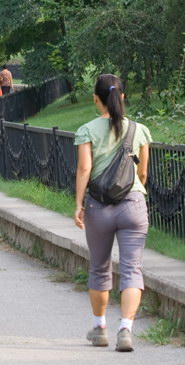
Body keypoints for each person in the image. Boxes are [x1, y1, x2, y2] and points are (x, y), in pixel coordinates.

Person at [73, 74, 152, 352]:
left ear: (96, 99)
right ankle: (126, 330)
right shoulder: (140, 130)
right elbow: (142, 173)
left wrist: (79, 205)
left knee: (99, 267)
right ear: (122, 97)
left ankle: (100, 328)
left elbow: (84, 170)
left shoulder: (86, 130)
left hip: (99, 207)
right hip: (133, 204)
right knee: (132, 269)